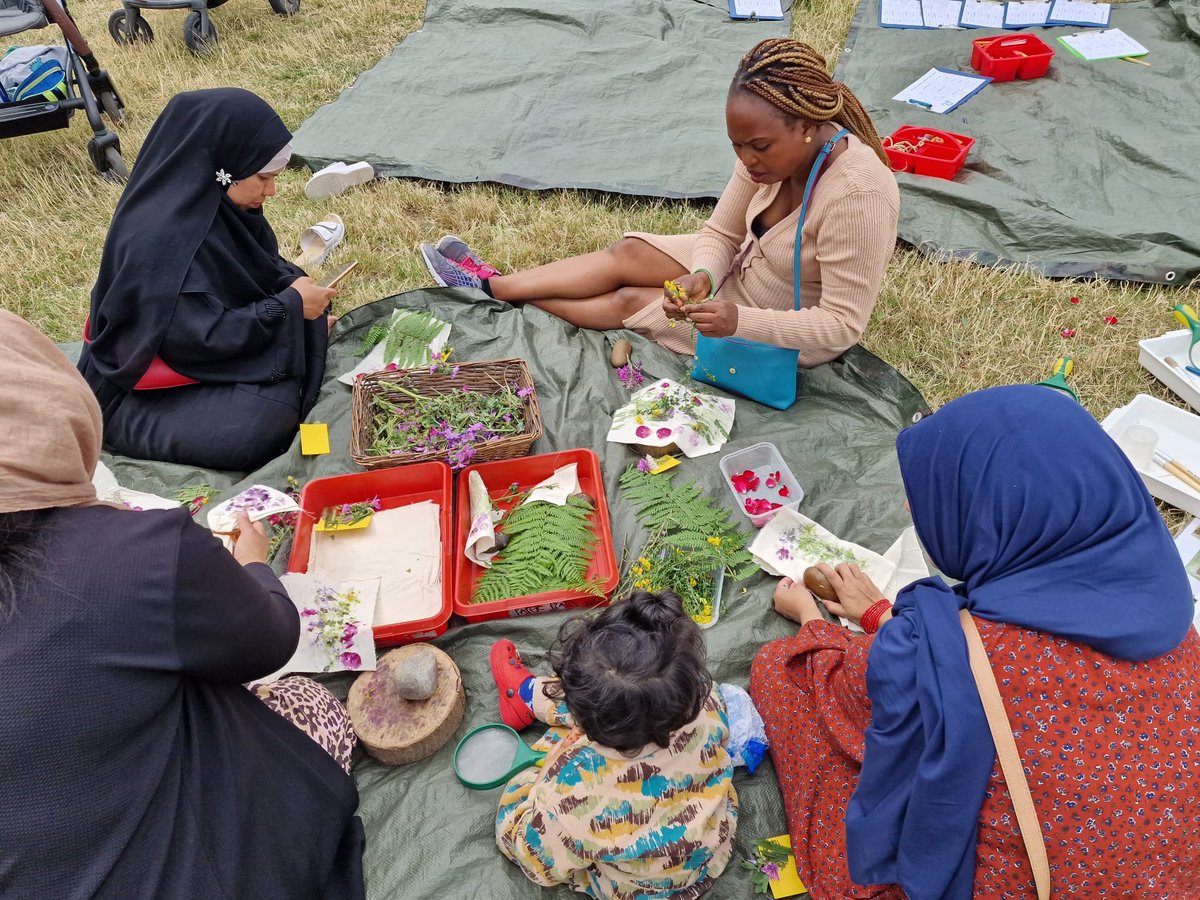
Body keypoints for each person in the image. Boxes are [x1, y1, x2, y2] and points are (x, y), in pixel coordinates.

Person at [750, 385, 1200, 898]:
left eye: (933, 494)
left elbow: (848, 689)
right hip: (1168, 877)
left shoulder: (945, 651)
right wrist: (885, 617)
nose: (906, 502)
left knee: (780, 671)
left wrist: (812, 620)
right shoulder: (1173, 620)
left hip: (1001, 883)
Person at [0, 310, 364, 897]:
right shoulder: (132, 554)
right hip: (208, 873)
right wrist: (251, 563)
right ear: (50, 411)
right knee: (305, 698)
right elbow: (272, 638)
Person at [419, 39, 899, 368]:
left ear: (807, 125)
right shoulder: (765, 151)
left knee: (630, 301)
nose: (747, 160)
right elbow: (721, 235)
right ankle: (494, 287)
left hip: (779, 325)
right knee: (629, 252)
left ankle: (494, 293)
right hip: (736, 271)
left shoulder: (859, 195)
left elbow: (840, 327)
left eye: (758, 147)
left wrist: (737, 319)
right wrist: (705, 276)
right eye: (737, 145)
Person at [78, 87, 336, 472]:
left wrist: (295, 292)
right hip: (138, 386)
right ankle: (126, 427)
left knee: (292, 369)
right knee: (259, 424)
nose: (272, 190)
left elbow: (255, 267)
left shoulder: (216, 202)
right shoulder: (156, 239)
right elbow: (190, 338)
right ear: (224, 166)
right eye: (264, 177)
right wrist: (289, 310)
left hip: (201, 358)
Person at [489, 591, 739, 899]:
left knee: (538, 778)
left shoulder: (573, 794)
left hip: (638, 887)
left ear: (583, 727)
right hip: (708, 849)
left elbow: (533, 861)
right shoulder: (705, 699)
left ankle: (527, 696)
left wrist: (540, 779)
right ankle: (533, 697)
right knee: (625, 700)